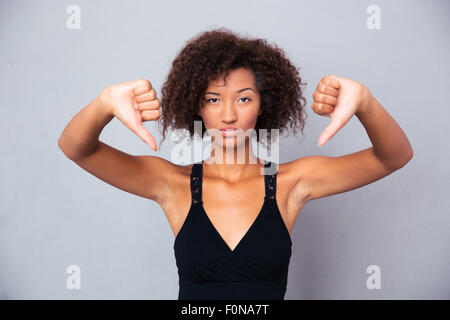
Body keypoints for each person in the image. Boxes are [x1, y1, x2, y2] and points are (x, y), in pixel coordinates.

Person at [57, 28, 413, 300]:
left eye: (244, 98)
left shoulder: (291, 182)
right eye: (213, 99)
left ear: (264, 105)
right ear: (196, 105)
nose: (228, 115)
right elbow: (78, 149)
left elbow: (393, 156)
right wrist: (104, 103)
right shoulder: (172, 183)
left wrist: (365, 101)